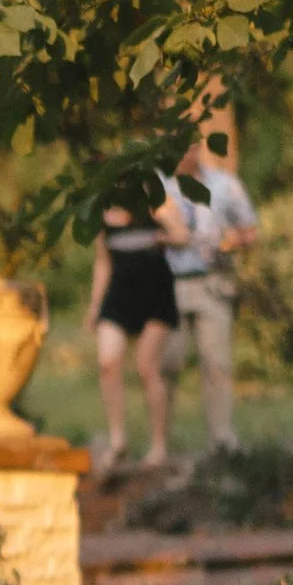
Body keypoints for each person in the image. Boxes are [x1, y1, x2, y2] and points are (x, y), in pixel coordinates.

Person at [86, 177, 193, 472]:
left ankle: (158, 446)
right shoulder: (103, 215)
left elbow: (183, 236)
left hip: (155, 295)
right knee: (108, 363)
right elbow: (103, 261)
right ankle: (118, 440)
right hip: (118, 295)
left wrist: (164, 232)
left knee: (147, 368)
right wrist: (95, 305)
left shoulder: (155, 206)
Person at [164, 125, 260, 453]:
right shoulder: (158, 186)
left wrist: (233, 240)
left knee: (216, 362)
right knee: (167, 364)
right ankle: (163, 441)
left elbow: (250, 230)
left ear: (197, 148)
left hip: (212, 280)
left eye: (188, 147)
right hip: (168, 283)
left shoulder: (223, 184)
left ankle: (221, 439)